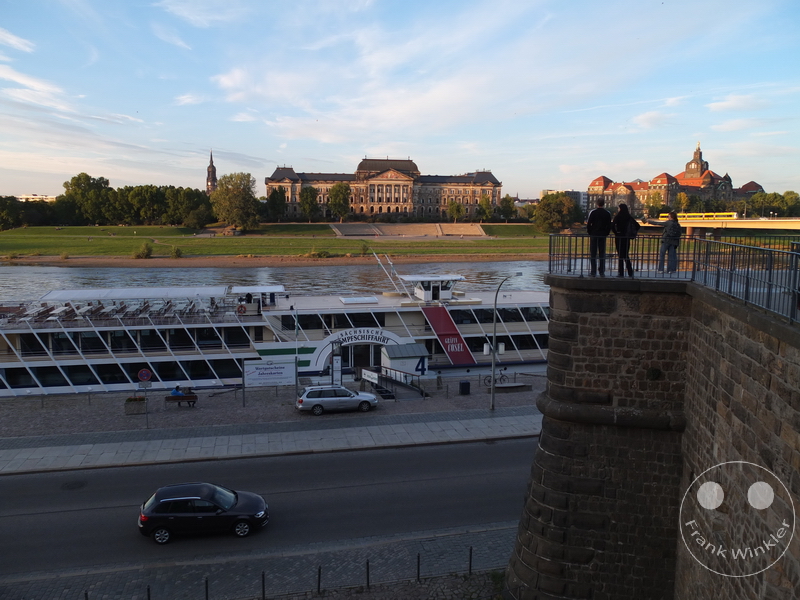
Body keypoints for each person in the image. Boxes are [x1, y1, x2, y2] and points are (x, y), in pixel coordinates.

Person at [586, 198, 612, 276]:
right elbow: (609, 225)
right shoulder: (607, 213)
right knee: (602, 253)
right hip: (603, 235)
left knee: (593, 253)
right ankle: (601, 271)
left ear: (597, 203)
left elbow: (589, 224)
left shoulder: (593, 212)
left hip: (594, 234)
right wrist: (606, 233)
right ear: (604, 204)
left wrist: (590, 232)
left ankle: (593, 271)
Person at [611, 203, 636, 277]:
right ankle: (630, 272)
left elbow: (612, 225)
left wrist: (616, 232)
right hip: (626, 237)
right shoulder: (628, 216)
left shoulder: (618, 216)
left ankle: (621, 272)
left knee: (620, 256)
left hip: (619, 237)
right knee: (626, 255)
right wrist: (631, 233)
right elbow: (637, 225)